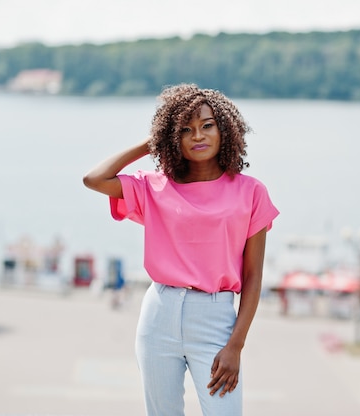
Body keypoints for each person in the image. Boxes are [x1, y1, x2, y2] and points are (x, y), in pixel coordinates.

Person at [83, 83, 279, 416]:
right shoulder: (154, 186)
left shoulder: (251, 192)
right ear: (174, 137)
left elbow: (253, 275)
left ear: (224, 129)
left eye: (207, 125)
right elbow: (95, 178)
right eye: (185, 129)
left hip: (215, 317)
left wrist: (236, 345)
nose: (197, 136)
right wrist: (153, 143)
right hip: (160, 312)